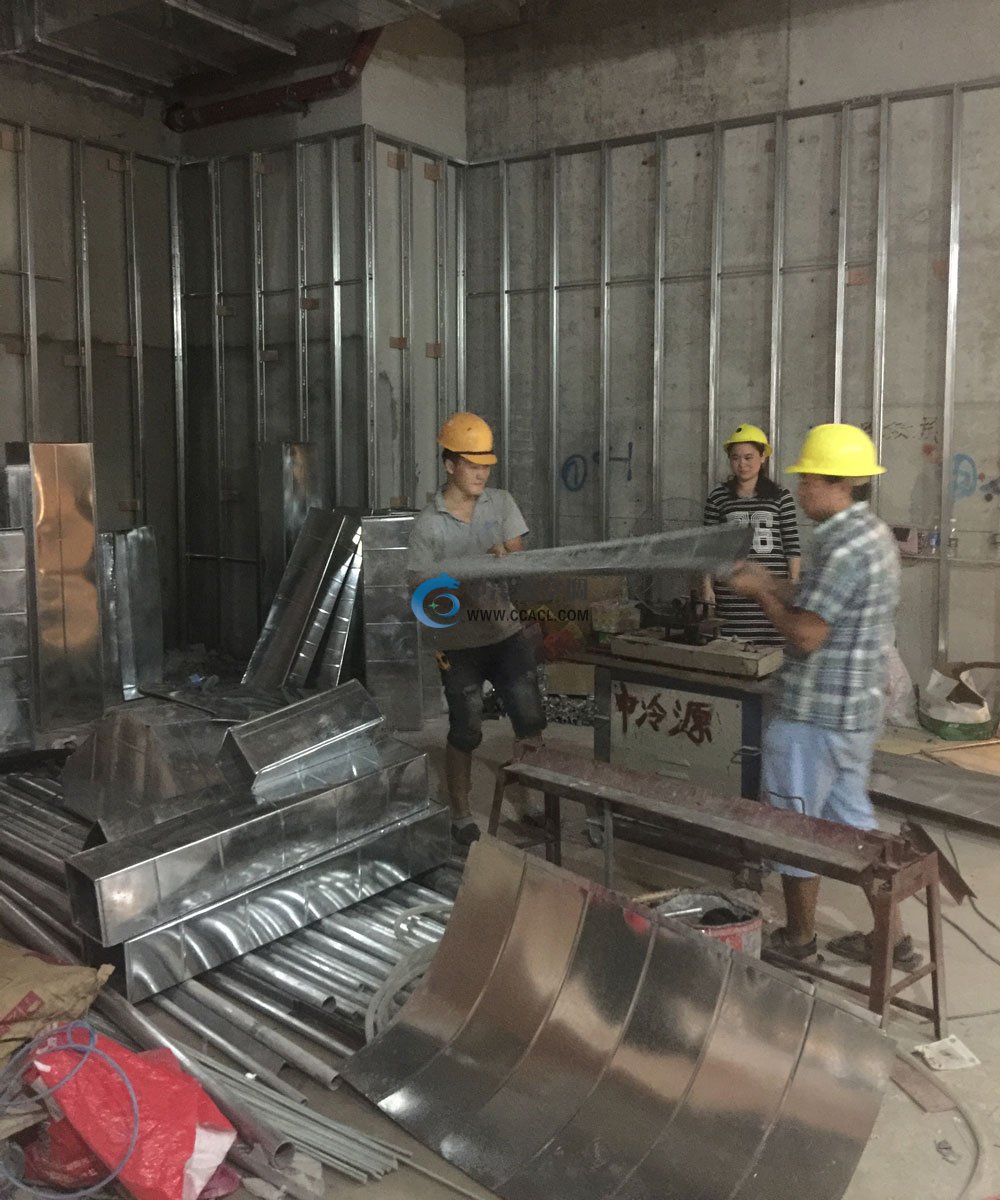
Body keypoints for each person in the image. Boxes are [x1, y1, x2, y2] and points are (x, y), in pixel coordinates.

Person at [728, 423, 920, 969]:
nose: (799, 490)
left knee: (795, 828)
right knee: (856, 830)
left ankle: (799, 939)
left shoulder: (840, 544)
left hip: (815, 715)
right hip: (854, 713)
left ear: (834, 482)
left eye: (806, 480)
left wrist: (761, 594)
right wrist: (771, 580)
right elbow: (820, 600)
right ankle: (894, 942)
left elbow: (807, 634)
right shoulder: (870, 533)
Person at [407, 413, 546, 847]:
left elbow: (518, 551)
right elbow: (419, 589)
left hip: (505, 632)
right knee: (466, 730)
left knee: (530, 720)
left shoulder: (500, 503)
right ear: (450, 465)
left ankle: (531, 802)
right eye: (472, 464)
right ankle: (462, 814)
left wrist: (507, 551)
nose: (482, 473)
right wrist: (454, 582)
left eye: (486, 465)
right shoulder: (429, 525)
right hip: (457, 644)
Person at [703, 423, 801, 645]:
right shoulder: (718, 497)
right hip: (732, 592)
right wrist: (707, 587)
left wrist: (793, 584)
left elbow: (792, 544)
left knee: (771, 651)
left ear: (762, 457)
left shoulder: (780, 496)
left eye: (749, 457)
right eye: (735, 458)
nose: (742, 464)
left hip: (770, 589)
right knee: (732, 649)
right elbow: (708, 547)